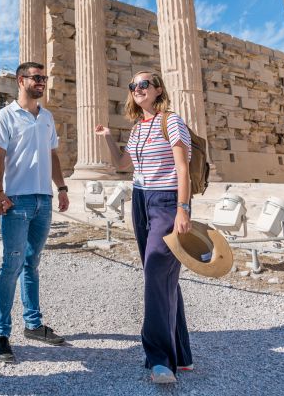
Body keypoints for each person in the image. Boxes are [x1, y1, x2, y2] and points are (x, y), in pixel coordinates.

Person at [95, 71, 193, 384]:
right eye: (133, 85)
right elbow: (123, 165)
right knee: (163, 276)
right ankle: (182, 353)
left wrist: (183, 208)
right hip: (140, 200)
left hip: (165, 201)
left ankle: (160, 360)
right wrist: (109, 137)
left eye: (144, 84)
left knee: (155, 271)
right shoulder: (138, 128)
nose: (137, 89)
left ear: (158, 89)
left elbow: (182, 168)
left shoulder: (171, 121)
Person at [0, 61, 70, 364]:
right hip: (17, 200)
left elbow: (52, 155)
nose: (42, 83)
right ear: (21, 80)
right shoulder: (6, 116)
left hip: (43, 200)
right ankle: (0, 333)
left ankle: (33, 324)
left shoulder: (46, 117)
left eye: (44, 78)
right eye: (37, 78)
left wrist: (61, 187)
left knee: (32, 264)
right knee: (10, 265)